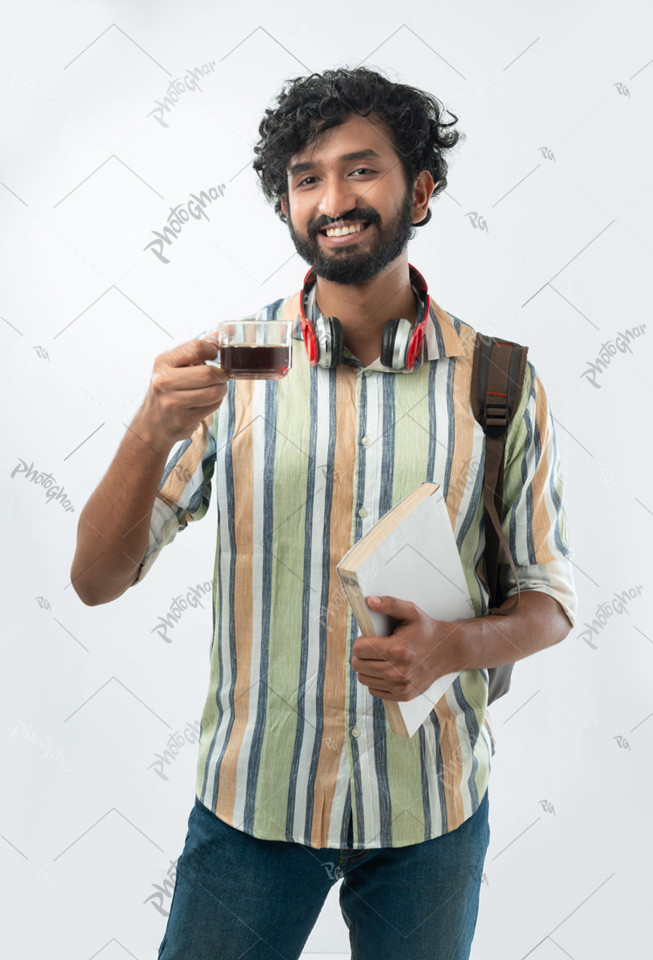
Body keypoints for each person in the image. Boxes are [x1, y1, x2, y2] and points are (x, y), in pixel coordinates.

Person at [71, 66, 577, 960]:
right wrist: (149, 430)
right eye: (306, 178)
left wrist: (453, 648)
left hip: (430, 809)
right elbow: (96, 581)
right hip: (252, 810)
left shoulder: (497, 380)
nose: (333, 198)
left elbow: (548, 600)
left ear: (420, 191)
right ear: (286, 207)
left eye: (361, 169)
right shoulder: (236, 366)